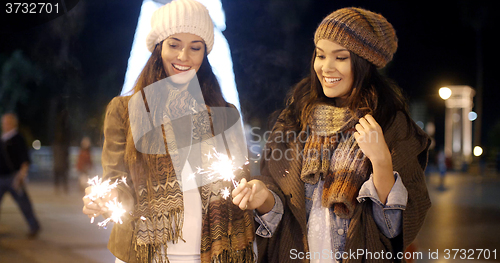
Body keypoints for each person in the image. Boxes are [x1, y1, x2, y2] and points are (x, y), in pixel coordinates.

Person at [232, 7, 431, 263]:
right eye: (320, 55)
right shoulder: (294, 120)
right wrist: (263, 197)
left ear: (364, 62)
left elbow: (394, 229)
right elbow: (279, 206)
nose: (326, 67)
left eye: (340, 58)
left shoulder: (390, 124)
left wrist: (381, 160)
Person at [82, 1, 254, 263]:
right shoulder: (125, 111)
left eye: (195, 48)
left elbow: (240, 184)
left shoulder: (224, 115)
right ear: (158, 47)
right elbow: (118, 182)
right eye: (174, 45)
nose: (183, 57)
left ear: (204, 53)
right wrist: (107, 198)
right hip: (143, 255)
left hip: (210, 255)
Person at [0, 113, 41, 238]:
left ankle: (34, 226)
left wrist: (21, 176)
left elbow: (25, 160)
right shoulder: (2, 139)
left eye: (7, 122)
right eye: (3, 122)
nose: (4, 125)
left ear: (13, 123)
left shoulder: (18, 138)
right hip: (1, 178)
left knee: (24, 203)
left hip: (14, 177)